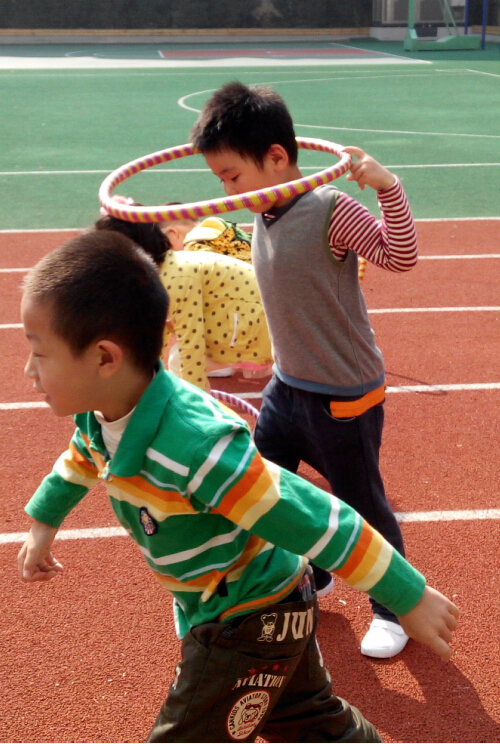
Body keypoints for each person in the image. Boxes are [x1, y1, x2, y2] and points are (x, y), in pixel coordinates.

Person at [17, 232, 460, 743]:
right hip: (236, 603)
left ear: (104, 358)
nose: (28, 371)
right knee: (309, 721)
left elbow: (314, 515)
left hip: (249, 617)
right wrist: (44, 521)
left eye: (39, 353)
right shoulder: (102, 416)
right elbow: (81, 456)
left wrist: (406, 595)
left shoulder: (199, 450)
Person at [190, 81, 418, 658]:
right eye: (219, 180)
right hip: (287, 389)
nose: (227, 190)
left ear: (276, 158)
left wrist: (388, 187)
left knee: (361, 503)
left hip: (343, 395)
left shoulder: (329, 210)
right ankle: (314, 571)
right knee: (269, 487)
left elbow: (401, 255)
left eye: (233, 176)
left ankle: (394, 608)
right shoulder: (262, 217)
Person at [95, 205, 272, 390]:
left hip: (255, 326)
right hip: (252, 319)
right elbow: (159, 332)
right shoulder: (165, 269)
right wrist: (148, 374)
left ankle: (199, 411)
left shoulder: (176, 277)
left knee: (180, 362)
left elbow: (191, 342)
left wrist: (195, 402)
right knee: (176, 360)